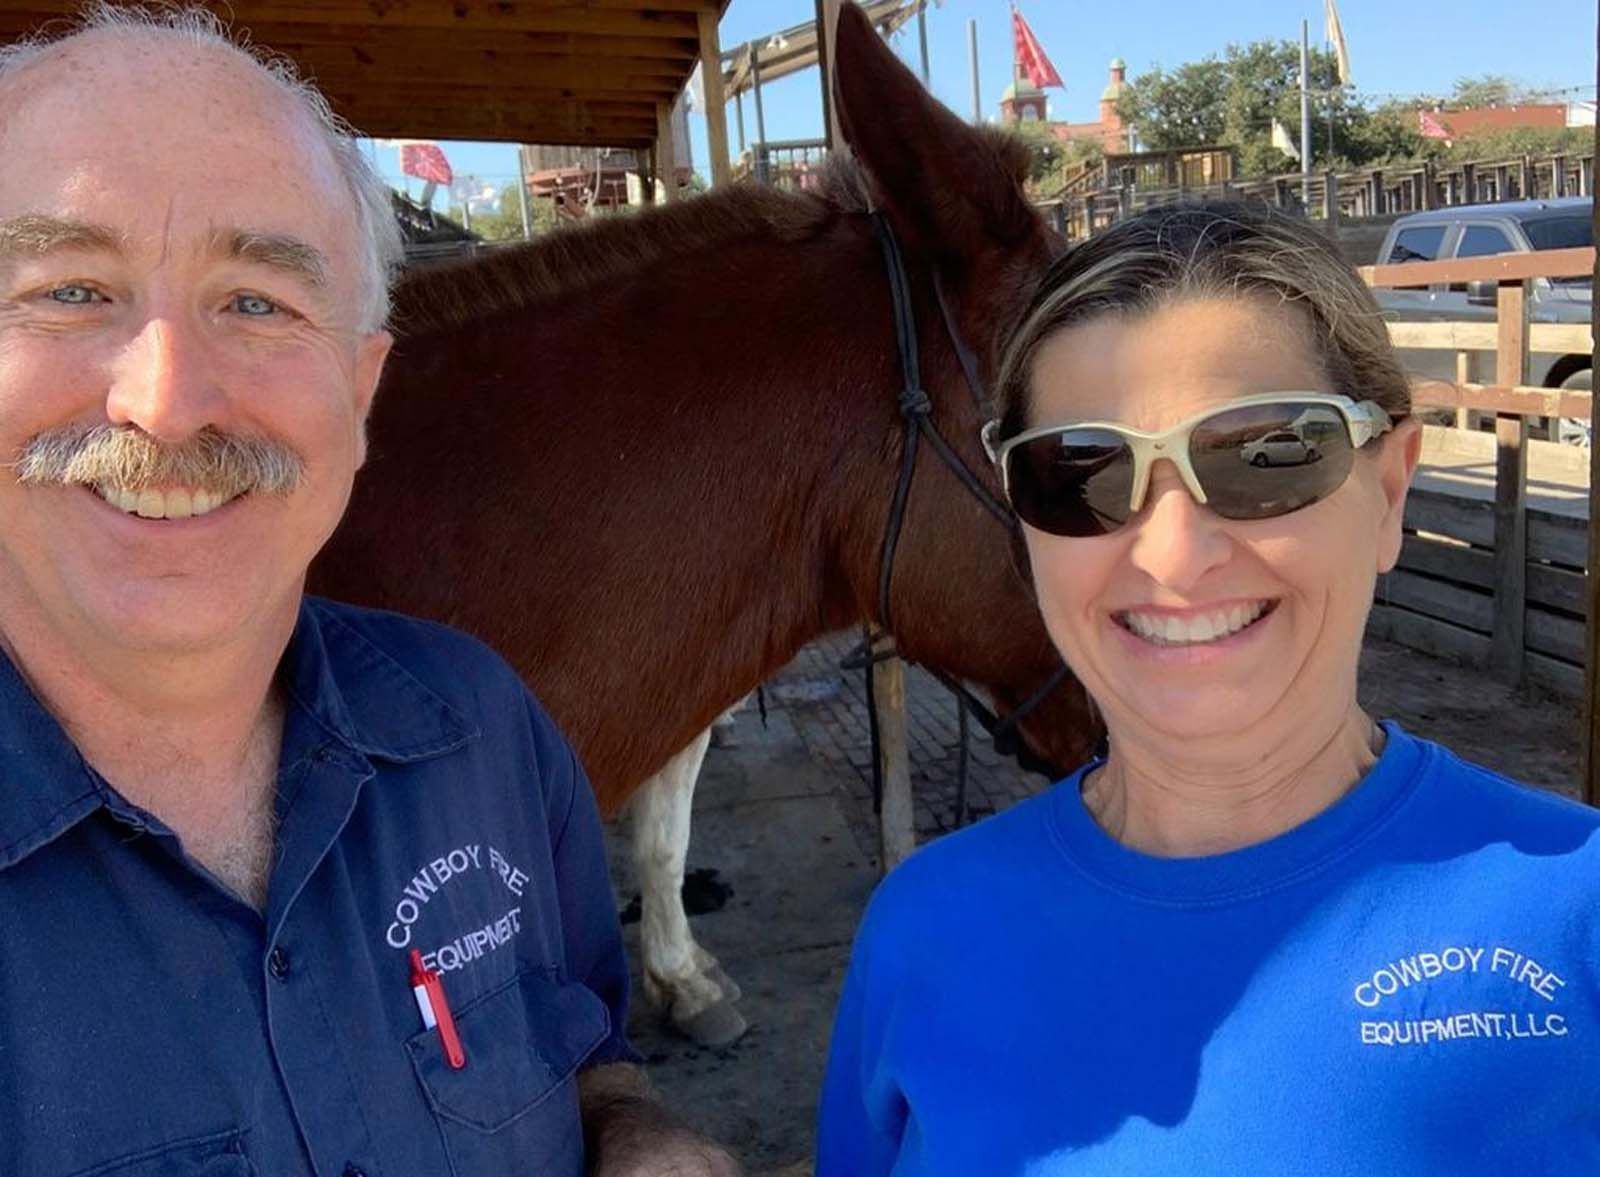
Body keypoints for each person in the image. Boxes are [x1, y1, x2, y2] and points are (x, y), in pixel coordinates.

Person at [0, 9, 737, 1176]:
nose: (167, 402)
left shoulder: (482, 728)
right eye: (73, 289)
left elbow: (584, 1044)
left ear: (359, 392)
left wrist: (630, 1127)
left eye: (257, 301)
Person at [817, 203, 1600, 1175]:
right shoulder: (922, 930)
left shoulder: (1575, 907)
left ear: (1390, 490)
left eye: (1265, 454)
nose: (1173, 556)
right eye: (1082, 471)